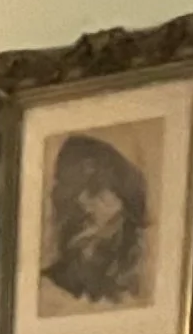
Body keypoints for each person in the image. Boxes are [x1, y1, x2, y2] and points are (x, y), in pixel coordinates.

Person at [41, 132, 150, 308]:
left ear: (125, 201)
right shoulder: (47, 286)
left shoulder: (140, 279)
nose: (82, 202)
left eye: (95, 189)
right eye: (72, 190)